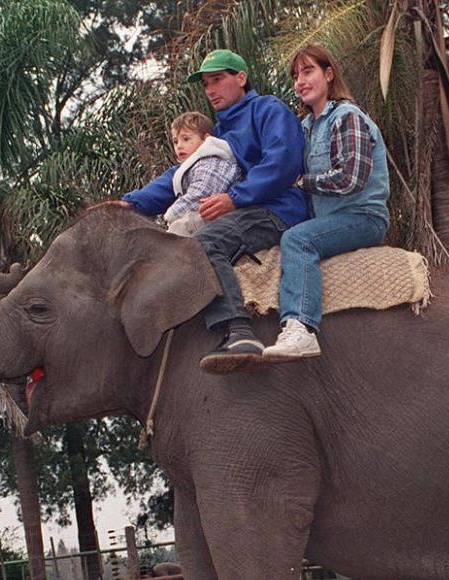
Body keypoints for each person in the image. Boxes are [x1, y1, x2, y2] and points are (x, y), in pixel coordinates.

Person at [121, 49, 308, 371]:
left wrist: (235, 197)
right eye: (206, 83)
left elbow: (283, 162)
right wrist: (130, 202)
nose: (210, 90)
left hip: (276, 209)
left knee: (202, 243)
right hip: (240, 213)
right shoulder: (218, 135)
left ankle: (238, 332)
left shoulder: (268, 109)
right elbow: (178, 177)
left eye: (218, 79)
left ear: (241, 78)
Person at [261, 44, 390, 362]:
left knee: (298, 240)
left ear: (329, 75)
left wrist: (303, 183)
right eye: (295, 76)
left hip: (363, 216)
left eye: (308, 72)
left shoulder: (347, 117)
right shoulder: (305, 129)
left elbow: (351, 179)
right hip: (330, 219)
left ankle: (301, 327)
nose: (299, 81)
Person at [162, 111, 242, 238]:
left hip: (218, 217)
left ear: (206, 139)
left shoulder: (212, 162)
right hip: (206, 216)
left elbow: (200, 194)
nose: (180, 146)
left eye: (186, 139)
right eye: (176, 142)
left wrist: (170, 215)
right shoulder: (195, 164)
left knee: (178, 230)